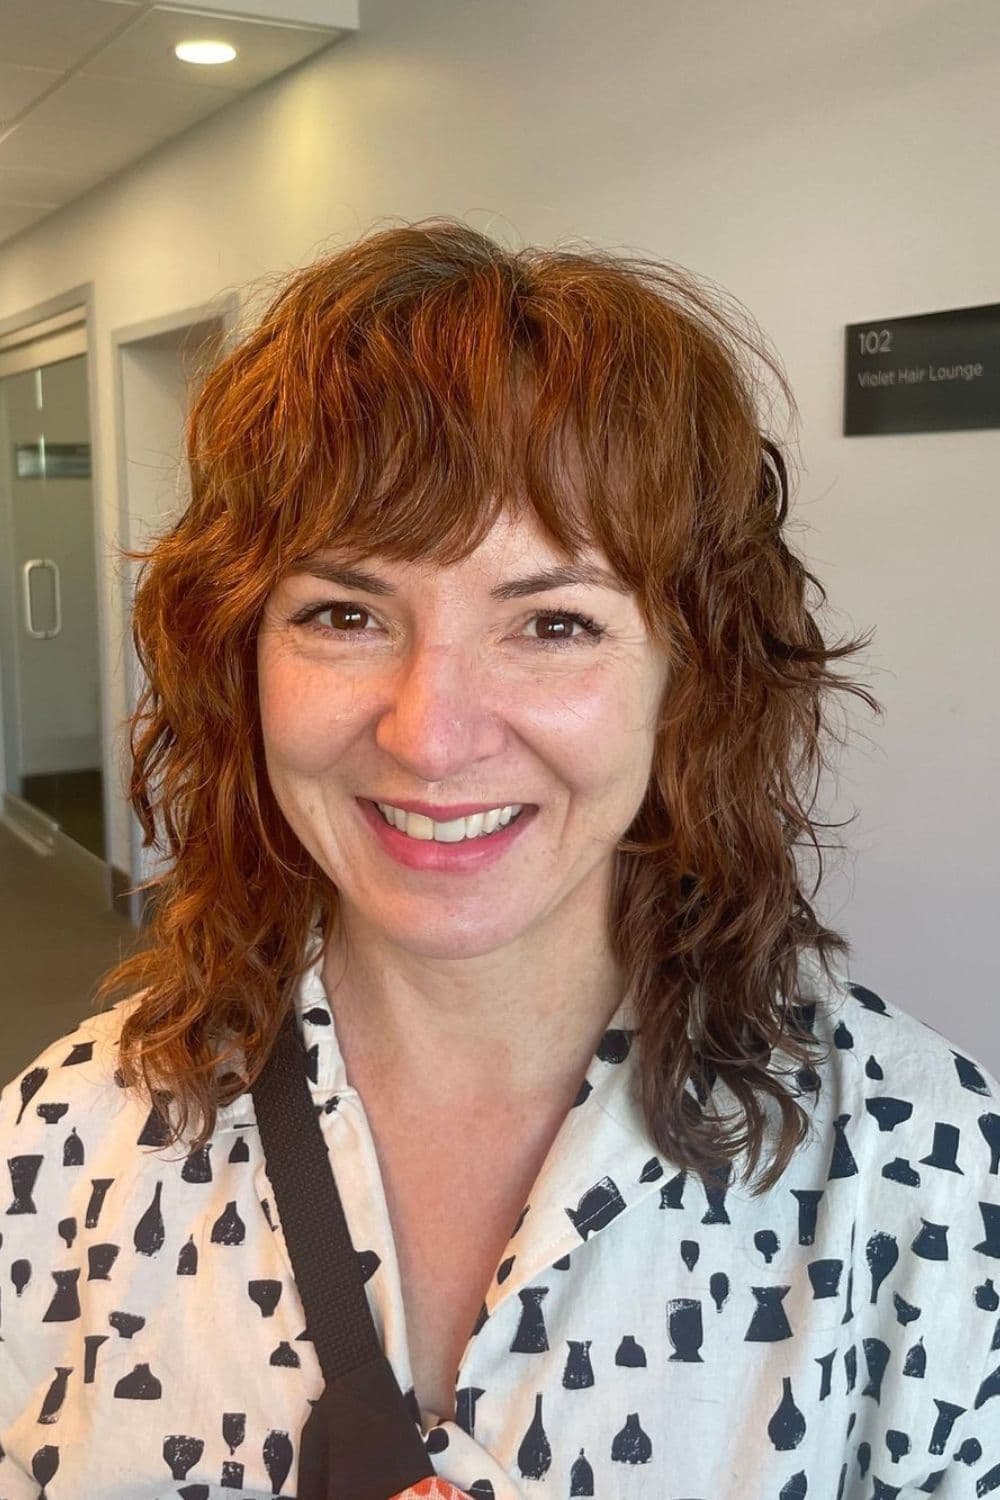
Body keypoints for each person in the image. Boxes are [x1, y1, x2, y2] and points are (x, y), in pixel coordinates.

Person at [1, 218, 997, 1500]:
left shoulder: (920, 1175)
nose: (430, 732)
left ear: (688, 678)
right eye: (345, 614)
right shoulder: (64, 1147)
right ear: (237, 660)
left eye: (554, 622)